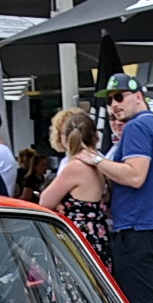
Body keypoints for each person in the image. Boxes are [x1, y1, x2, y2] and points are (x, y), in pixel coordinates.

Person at [79, 73, 153, 303]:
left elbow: (135, 176)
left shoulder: (136, 128)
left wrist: (96, 160)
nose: (114, 105)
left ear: (138, 96)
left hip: (139, 226)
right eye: (110, 100)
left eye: (119, 97)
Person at [39, 109, 110, 266]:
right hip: (98, 234)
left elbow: (45, 201)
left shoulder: (75, 167)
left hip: (79, 237)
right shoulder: (101, 162)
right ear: (95, 136)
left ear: (66, 137)